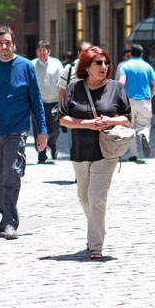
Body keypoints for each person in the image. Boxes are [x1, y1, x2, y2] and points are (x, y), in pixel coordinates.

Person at [0, 25, 47, 240]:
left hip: (17, 130)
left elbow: (36, 100)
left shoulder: (25, 67)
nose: (4, 46)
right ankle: (5, 212)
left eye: (8, 42)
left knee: (11, 174)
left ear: (14, 44)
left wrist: (41, 131)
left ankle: (10, 222)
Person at [57, 46, 131, 260]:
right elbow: (62, 118)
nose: (104, 67)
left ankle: (96, 244)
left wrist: (110, 121)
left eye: (106, 63)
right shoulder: (73, 88)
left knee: (96, 197)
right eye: (98, 63)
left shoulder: (116, 88)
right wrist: (88, 124)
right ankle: (96, 229)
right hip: (80, 150)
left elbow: (127, 116)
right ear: (86, 67)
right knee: (84, 197)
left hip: (106, 150)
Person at [118, 44, 155, 161]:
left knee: (130, 127)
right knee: (145, 124)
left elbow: (121, 82)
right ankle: (144, 134)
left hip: (129, 100)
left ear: (130, 54)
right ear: (142, 54)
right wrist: (151, 96)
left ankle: (133, 154)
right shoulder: (147, 66)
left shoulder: (124, 66)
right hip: (144, 100)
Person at [31, 40, 64, 163]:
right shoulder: (32, 64)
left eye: (44, 51)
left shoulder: (57, 64)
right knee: (38, 129)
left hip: (54, 102)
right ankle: (41, 154)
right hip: (37, 103)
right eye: (40, 51)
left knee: (55, 129)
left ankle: (52, 143)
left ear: (49, 52)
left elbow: (62, 83)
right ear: (37, 52)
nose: (42, 53)